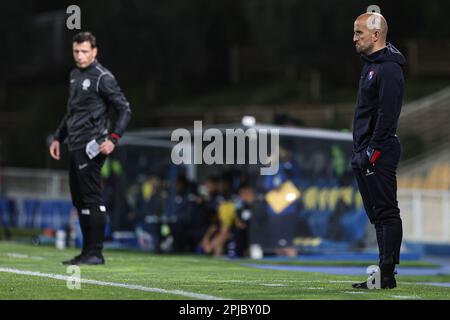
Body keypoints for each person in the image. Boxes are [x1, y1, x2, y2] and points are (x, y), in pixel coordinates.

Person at [49, 32, 132, 265]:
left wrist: (113, 139)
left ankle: (96, 252)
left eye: (84, 51)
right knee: (79, 200)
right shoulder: (74, 75)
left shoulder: (103, 77)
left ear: (94, 52)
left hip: (91, 146)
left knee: (92, 199)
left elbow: (125, 109)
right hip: (73, 144)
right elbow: (72, 112)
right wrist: (58, 137)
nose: (80, 55)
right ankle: (87, 252)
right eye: (76, 51)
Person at [351, 12, 405, 289]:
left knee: (386, 212)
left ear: (376, 35)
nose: (354, 38)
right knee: (377, 216)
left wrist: (371, 151)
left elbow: (387, 115)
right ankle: (383, 275)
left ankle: (387, 273)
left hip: (378, 151)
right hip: (365, 151)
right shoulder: (372, 66)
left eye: (359, 33)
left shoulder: (388, 69)